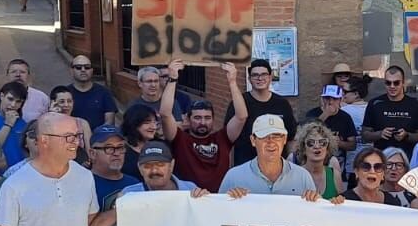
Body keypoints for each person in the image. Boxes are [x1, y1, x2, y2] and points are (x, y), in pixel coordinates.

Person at [161, 59, 234, 192]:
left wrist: (233, 82)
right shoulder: (179, 139)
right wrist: (172, 79)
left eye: (207, 118)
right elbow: (165, 114)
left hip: (218, 199)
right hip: (188, 198)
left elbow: (241, 116)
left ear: (213, 120)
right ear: (187, 119)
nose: (202, 122)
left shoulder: (222, 138)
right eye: (197, 118)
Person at [224, 59, 300, 166]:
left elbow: (290, 137)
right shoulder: (239, 103)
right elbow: (229, 139)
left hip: (276, 167)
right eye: (255, 75)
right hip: (246, 165)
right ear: (249, 79)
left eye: (264, 74)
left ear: (270, 77)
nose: (260, 78)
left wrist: (290, 164)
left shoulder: (282, 103)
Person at [361, 65, 418, 152]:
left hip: (407, 156)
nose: (392, 86)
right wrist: (380, 134)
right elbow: (365, 135)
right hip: (382, 156)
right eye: (388, 83)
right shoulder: (374, 104)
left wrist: (407, 135)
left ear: (403, 83)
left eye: (396, 83)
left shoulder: (415, 105)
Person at [0, 59, 51, 123]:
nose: (18, 75)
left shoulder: (42, 98)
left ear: (29, 76)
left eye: (22, 72)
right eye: (13, 72)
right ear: (7, 75)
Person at [0, 81, 30, 168]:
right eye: (10, 99)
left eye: (18, 102)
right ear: (2, 96)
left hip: (19, 171)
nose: (13, 104)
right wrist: (8, 124)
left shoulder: (22, 123)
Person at [306, 84, 359, 158]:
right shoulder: (312, 114)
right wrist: (326, 114)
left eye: (334, 99)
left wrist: (339, 143)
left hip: (337, 160)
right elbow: (305, 134)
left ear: (340, 100)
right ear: (322, 99)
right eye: (327, 98)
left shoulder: (345, 117)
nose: (330, 102)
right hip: (315, 158)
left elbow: (352, 145)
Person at [293, 121, 342, 200]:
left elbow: (342, 204)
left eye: (322, 142)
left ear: (327, 149)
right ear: (303, 149)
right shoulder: (294, 175)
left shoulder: (335, 175)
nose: (317, 146)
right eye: (310, 143)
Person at [67, 55, 119, 127]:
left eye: (87, 67)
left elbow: (109, 122)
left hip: (99, 134)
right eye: (78, 67)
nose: (83, 70)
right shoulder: (65, 93)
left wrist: (97, 133)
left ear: (92, 70)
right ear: (71, 71)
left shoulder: (104, 92)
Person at [119, 105, 162, 179]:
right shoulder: (121, 150)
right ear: (134, 123)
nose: (154, 127)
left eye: (155, 122)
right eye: (147, 122)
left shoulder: (160, 146)